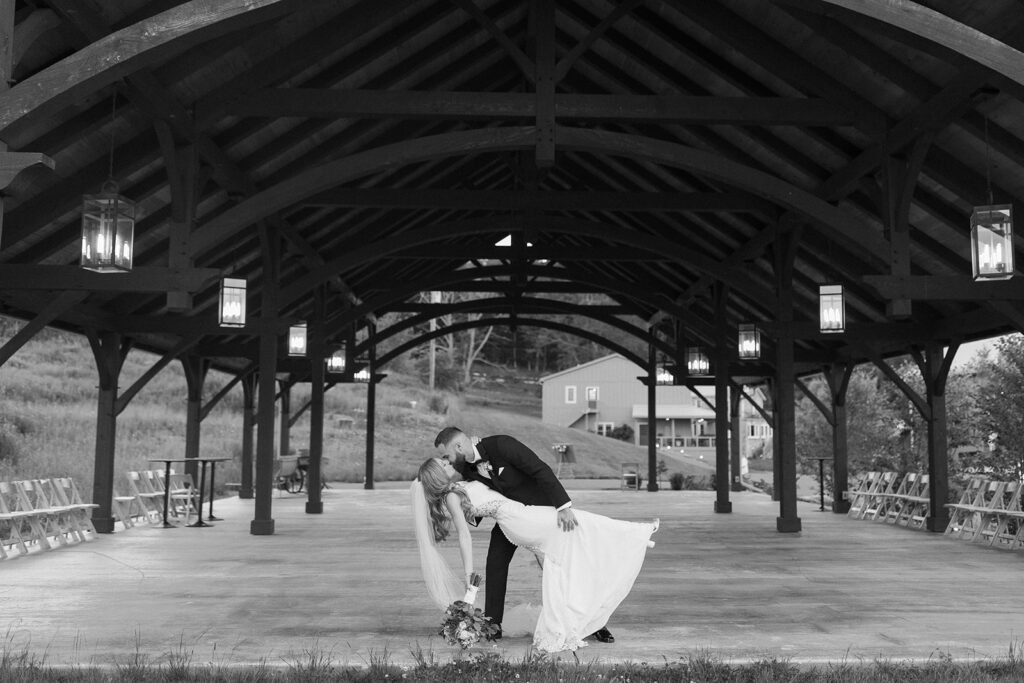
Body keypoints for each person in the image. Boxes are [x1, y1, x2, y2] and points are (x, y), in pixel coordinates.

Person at [412, 454, 658, 653]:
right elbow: (464, 535)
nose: (448, 462)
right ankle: (633, 535)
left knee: (571, 542)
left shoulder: (459, 485)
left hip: (521, 513)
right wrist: (468, 575)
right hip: (518, 519)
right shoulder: (453, 496)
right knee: (579, 523)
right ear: (437, 476)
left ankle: (631, 538)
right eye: (442, 464)